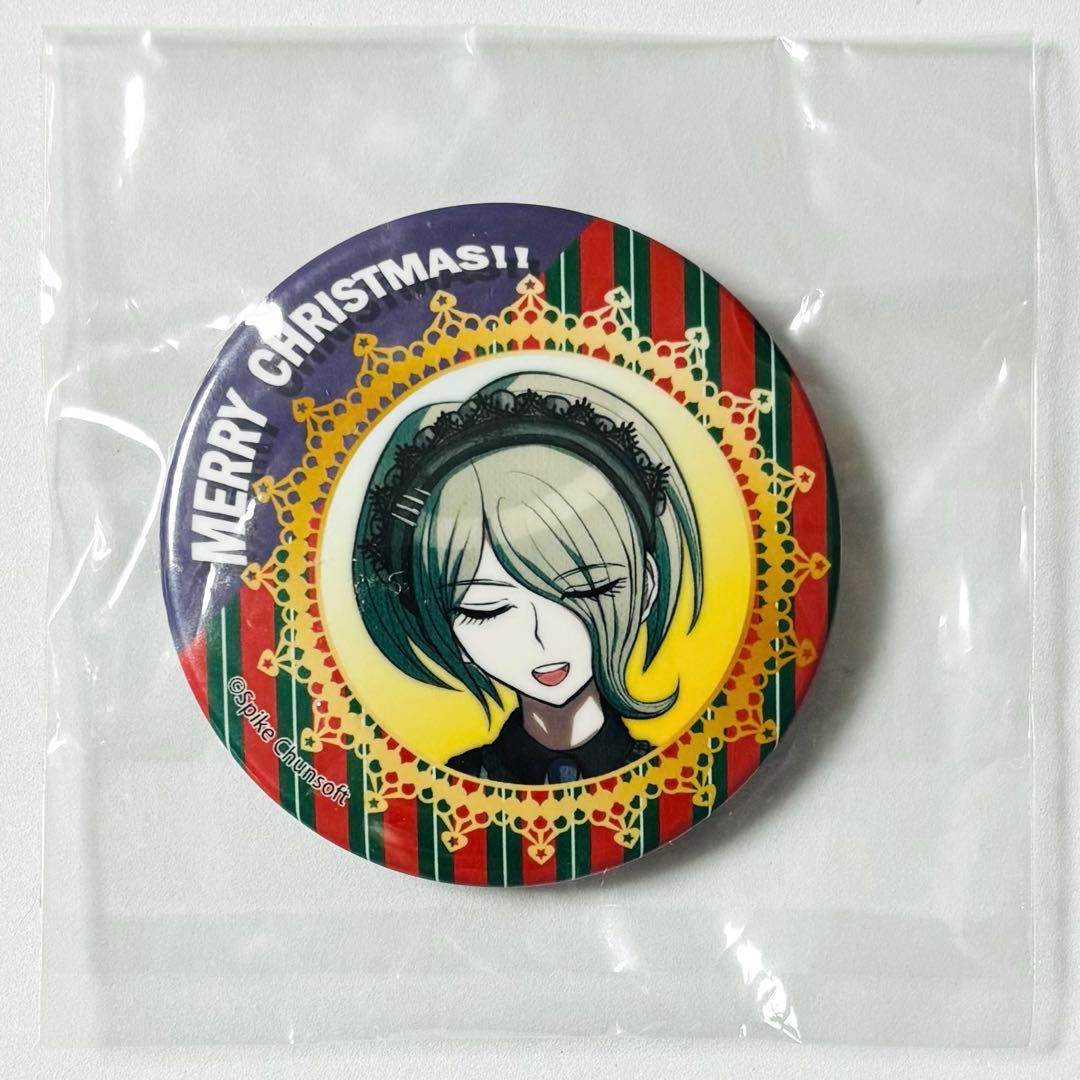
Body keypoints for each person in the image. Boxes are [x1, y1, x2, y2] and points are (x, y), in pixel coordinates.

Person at [353, 370, 703, 784]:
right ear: (449, 631)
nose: (541, 637)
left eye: (587, 590)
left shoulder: (678, 776)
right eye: (486, 610)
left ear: (645, 589)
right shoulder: (449, 786)